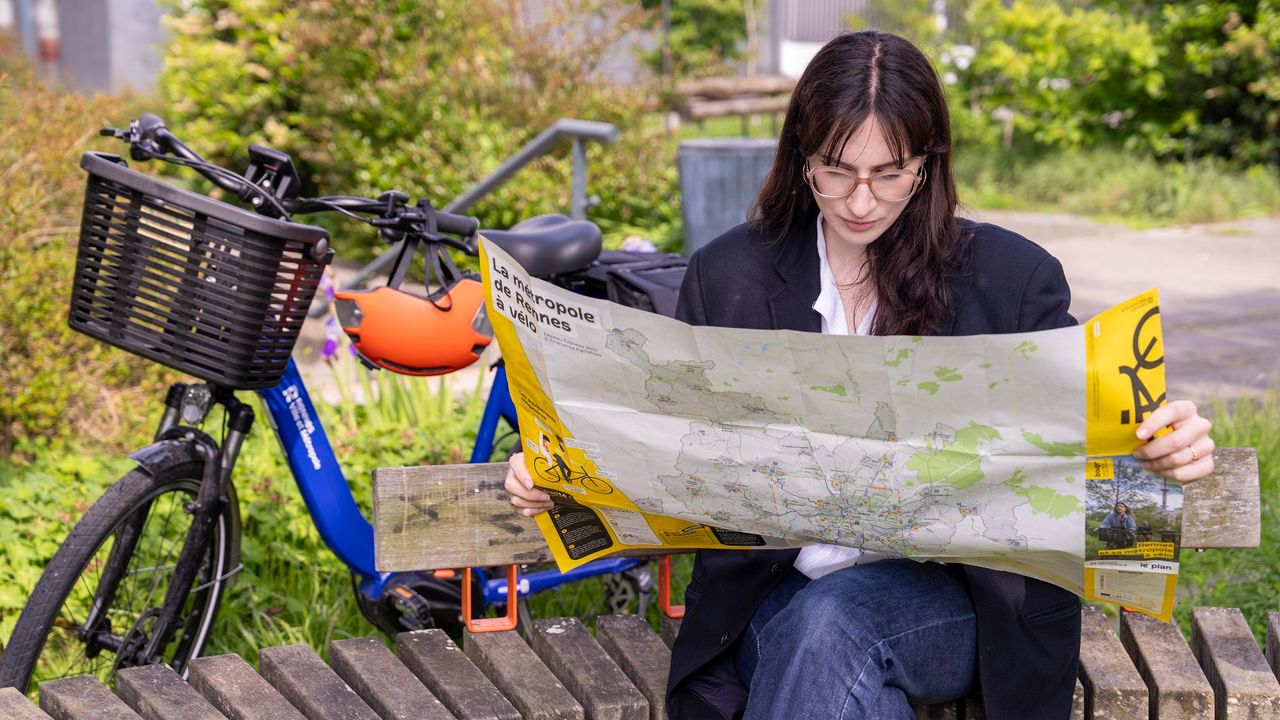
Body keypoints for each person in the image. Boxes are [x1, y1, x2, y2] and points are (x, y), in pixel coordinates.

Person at [505, 30, 1216, 720]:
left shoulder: (1010, 280)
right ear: (801, 157)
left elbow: (1100, 461)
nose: (862, 201)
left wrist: (1162, 453)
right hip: (772, 602)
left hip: (962, 608)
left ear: (928, 164)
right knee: (827, 640)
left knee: (836, 623)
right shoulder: (730, 276)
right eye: (836, 170)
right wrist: (556, 471)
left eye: (890, 172)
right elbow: (653, 439)